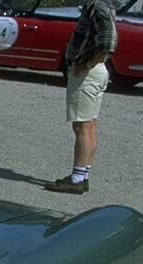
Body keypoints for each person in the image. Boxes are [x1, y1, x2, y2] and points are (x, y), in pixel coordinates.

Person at [45, 0, 117, 194]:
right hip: (94, 72)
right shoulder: (99, 7)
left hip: (87, 73)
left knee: (82, 126)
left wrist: (85, 65)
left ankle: (76, 178)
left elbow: (108, 43)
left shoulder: (99, 7)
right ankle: (83, 175)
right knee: (90, 124)